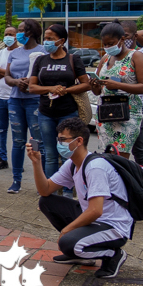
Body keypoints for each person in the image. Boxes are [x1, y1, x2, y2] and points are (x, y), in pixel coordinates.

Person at [30, 117, 132, 278]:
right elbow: (45, 190)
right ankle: (80, 254)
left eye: (63, 140)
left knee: (68, 243)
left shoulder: (95, 167)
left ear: (78, 141)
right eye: (59, 139)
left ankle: (113, 255)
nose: (60, 144)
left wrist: (67, 230)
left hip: (113, 227)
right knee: (46, 202)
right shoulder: (72, 164)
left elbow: (95, 211)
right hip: (94, 220)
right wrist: (36, 162)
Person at [29, 24, 90, 179]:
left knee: (68, 153)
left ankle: (69, 191)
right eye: (45, 38)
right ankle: (51, 191)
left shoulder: (73, 59)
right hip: (46, 114)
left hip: (68, 113)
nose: (46, 42)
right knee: (49, 153)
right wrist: (51, 88)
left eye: (51, 39)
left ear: (61, 41)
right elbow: (32, 87)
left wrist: (66, 90)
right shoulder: (40, 60)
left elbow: (86, 84)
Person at [4, 19, 46, 194]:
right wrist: (15, 82)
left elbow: (48, 75)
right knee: (18, 142)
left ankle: (42, 183)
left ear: (32, 32)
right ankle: (16, 181)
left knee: (38, 142)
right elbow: (6, 76)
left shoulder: (43, 51)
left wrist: (32, 82)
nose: (18, 34)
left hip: (35, 100)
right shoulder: (14, 53)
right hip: (15, 100)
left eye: (22, 30)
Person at [91, 22, 143, 157]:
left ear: (122, 39)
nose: (108, 47)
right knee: (107, 156)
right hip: (106, 113)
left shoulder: (136, 56)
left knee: (120, 157)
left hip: (128, 115)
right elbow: (98, 92)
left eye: (111, 43)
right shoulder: (105, 58)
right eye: (105, 44)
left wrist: (119, 85)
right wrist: (95, 85)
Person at [0, 26, 19, 171]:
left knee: (17, 131)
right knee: (1, 130)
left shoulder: (20, 53)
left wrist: (0, 71)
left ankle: (17, 160)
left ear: (16, 36)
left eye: (11, 34)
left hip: (15, 97)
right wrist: (8, 72)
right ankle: (2, 159)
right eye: (6, 34)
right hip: (0, 96)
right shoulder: (0, 53)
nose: (8, 36)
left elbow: (18, 73)